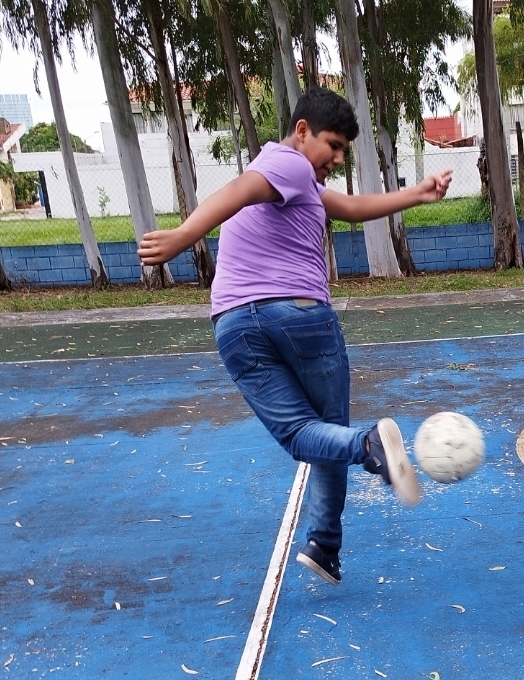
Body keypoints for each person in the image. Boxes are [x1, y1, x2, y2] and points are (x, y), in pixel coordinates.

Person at [138, 87, 452, 586]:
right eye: (334, 145)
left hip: (235, 326)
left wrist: (417, 193)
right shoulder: (288, 163)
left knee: (311, 436)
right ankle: (367, 446)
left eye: (344, 150)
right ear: (302, 130)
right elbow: (236, 191)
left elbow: (350, 206)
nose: (338, 158)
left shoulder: (297, 179)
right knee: (328, 430)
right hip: (299, 316)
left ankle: (325, 544)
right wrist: (182, 237)